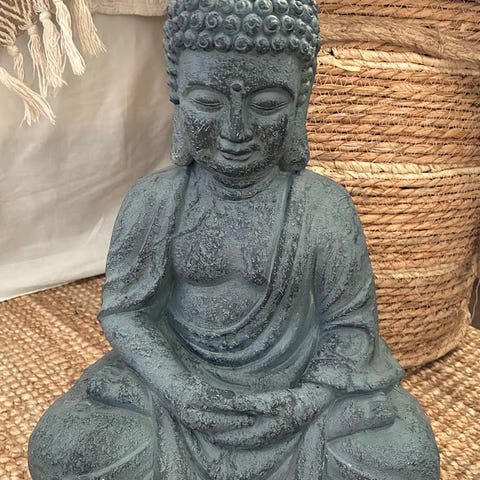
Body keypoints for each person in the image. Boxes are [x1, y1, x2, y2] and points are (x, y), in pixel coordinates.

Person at [28, 0, 440, 478]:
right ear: (178, 97)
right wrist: (179, 390)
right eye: (207, 102)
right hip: (177, 386)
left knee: (404, 459)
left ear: (300, 103)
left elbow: (350, 327)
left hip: (297, 392)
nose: (235, 130)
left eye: (266, 105)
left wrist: (307, 400)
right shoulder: (156, 200)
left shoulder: (324, 206)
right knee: (65, 447)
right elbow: (126, 312)